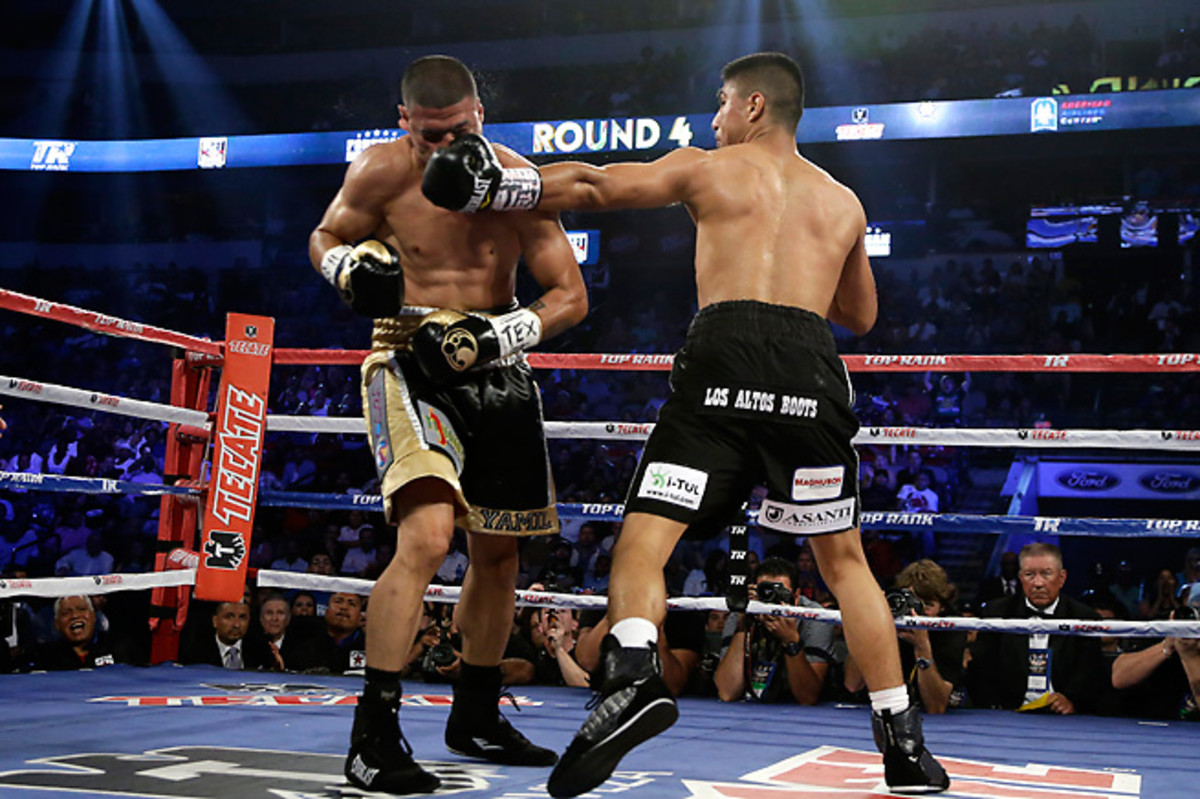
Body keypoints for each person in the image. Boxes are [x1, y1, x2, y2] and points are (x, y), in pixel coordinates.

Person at [422, 51, 947, 795]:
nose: (715, 118)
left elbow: (598, 183)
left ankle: (635, 670)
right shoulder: (844, 203)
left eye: (724, 103)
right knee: (843, 561)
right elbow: (859, 314)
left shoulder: (709, 168)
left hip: (723, 362)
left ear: (756, 106)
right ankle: (903, 746)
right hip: (808, 374)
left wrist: (501, 183)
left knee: (645, 535)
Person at [308, 54, 586, 793]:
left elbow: (569, 295)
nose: (442, 147)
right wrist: (346, 269)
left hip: (496, 363)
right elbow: (325, 236)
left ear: (480, 116)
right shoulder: (379, 171)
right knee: (428, 536)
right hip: (405, 354)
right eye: (429, 135)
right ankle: (373, 731)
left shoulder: (517, 179)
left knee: (498, 555)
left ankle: (476, 714)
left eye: (457, 130)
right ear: (405, 122)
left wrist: (496, 337)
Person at [967, 543, 1106, 714]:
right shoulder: (997, 612)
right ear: (1020, 577)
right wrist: (995, 707)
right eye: (1029, 575)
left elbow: (1090, 671)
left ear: (1062, 578)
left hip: (1064, 717)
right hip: (1007, 712)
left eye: (1046, 574)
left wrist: (1071, 700)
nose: (1038, 583)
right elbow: (983, 667)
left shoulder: (1083, 617)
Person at [846, 560, 968, 714]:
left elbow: (936, 707)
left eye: (927, 605)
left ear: (943, 607)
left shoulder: (951, 628)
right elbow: (852, 684)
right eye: (912, 602)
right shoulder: (890, 616)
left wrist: (922, 647)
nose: (915, 612)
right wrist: (873, 624)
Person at [713, 556, 834, 705]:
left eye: (780, 592)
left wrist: (791, 641)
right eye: (765, 591)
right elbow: (727, 692)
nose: (772, 600)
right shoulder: (740, 615)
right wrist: (743, 626)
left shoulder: (814, 617)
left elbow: (808, 697)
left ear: (796, 597)